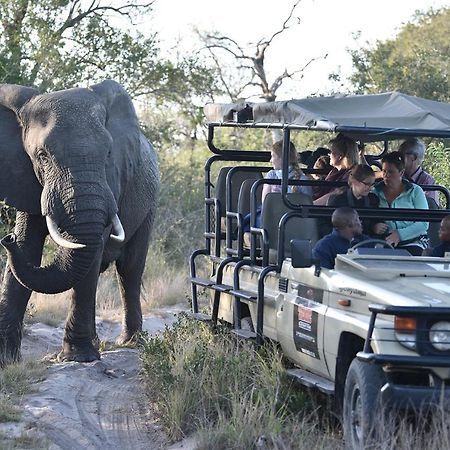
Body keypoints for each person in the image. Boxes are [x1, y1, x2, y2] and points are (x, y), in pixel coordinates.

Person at [243, 140, 311, 231]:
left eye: (273, 156)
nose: (270, 160)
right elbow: (266, 203)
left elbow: (308, 206)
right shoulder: (271, 175)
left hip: (290, 220)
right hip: (272, 216)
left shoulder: (302, 180)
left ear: (281, 158)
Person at [373, 151, 429, 256]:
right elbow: (369, 218)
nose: (386, 176)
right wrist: (374, 226)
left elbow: (424, 223)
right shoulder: (375, 192)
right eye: (384, 171)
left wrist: (400, 235)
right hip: (384, 241)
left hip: (413, 241)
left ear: (401, 173)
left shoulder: (415, 191)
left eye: (391, 172)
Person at [320, 164, 382, 236]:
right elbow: (325, 225)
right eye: (366, 184)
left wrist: (376, 226)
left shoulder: (373, 200)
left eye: (372, 184)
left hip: (368, 242)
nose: (370, 188)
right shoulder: (338, 201)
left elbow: (378, 220)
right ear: (354, 181)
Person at [313, 133, 360, 204]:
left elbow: (335, 194)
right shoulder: (335, 172)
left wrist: (312, 204)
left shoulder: (350, 175)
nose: (329, 155)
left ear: (340, 156)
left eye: (331, 152)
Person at [398, 138, 439, 206]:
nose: (399, 158)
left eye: (401, 155)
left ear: (414, 157)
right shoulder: (397, 175)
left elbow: (431, 208)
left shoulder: (428, 182)